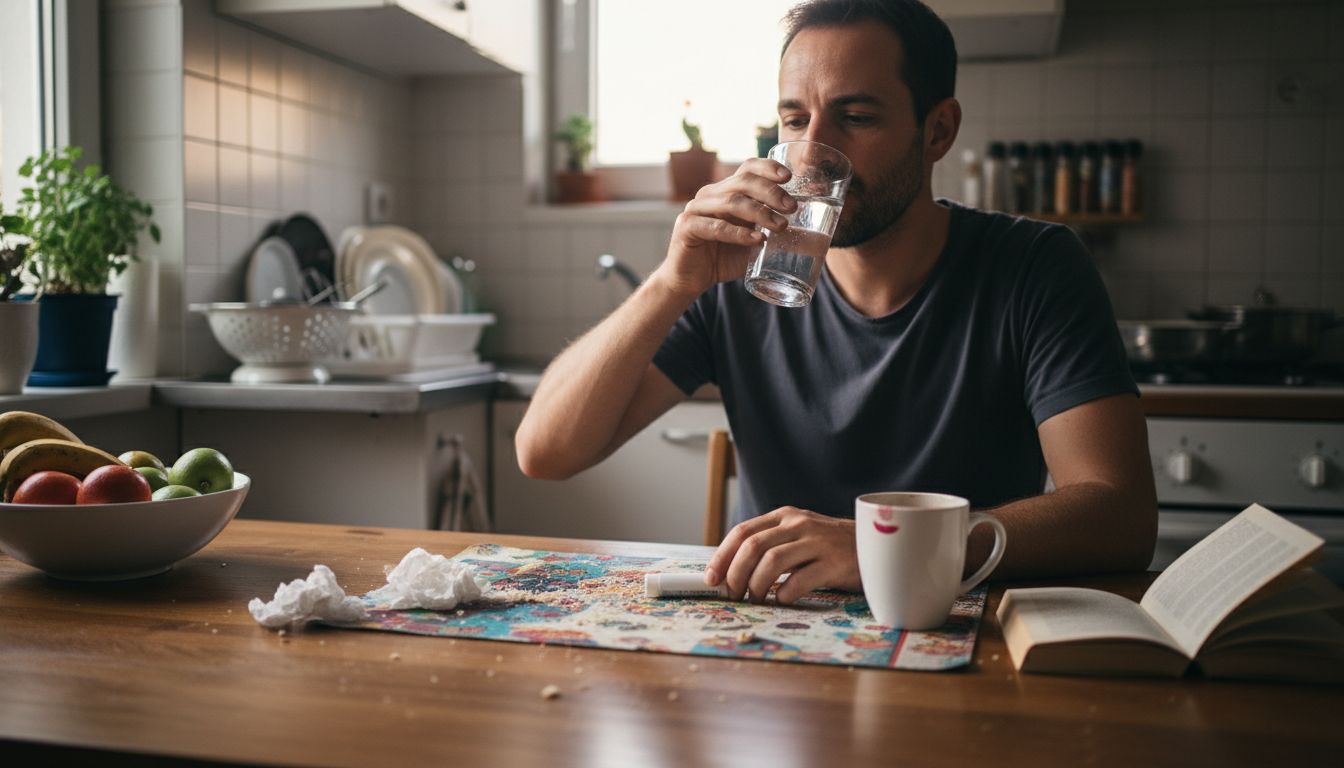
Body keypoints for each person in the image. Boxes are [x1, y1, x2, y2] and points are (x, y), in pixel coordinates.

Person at [516, 0, 1157, 605]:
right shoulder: (734, 275)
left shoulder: (1033, 267)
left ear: (938, 131)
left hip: (952, 631)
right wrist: (669, 284)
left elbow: (1119, 514)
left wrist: (888, 547)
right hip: (767, 644)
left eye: (856, 117)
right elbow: (545, 453)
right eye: (796, 120)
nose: (815, 157)